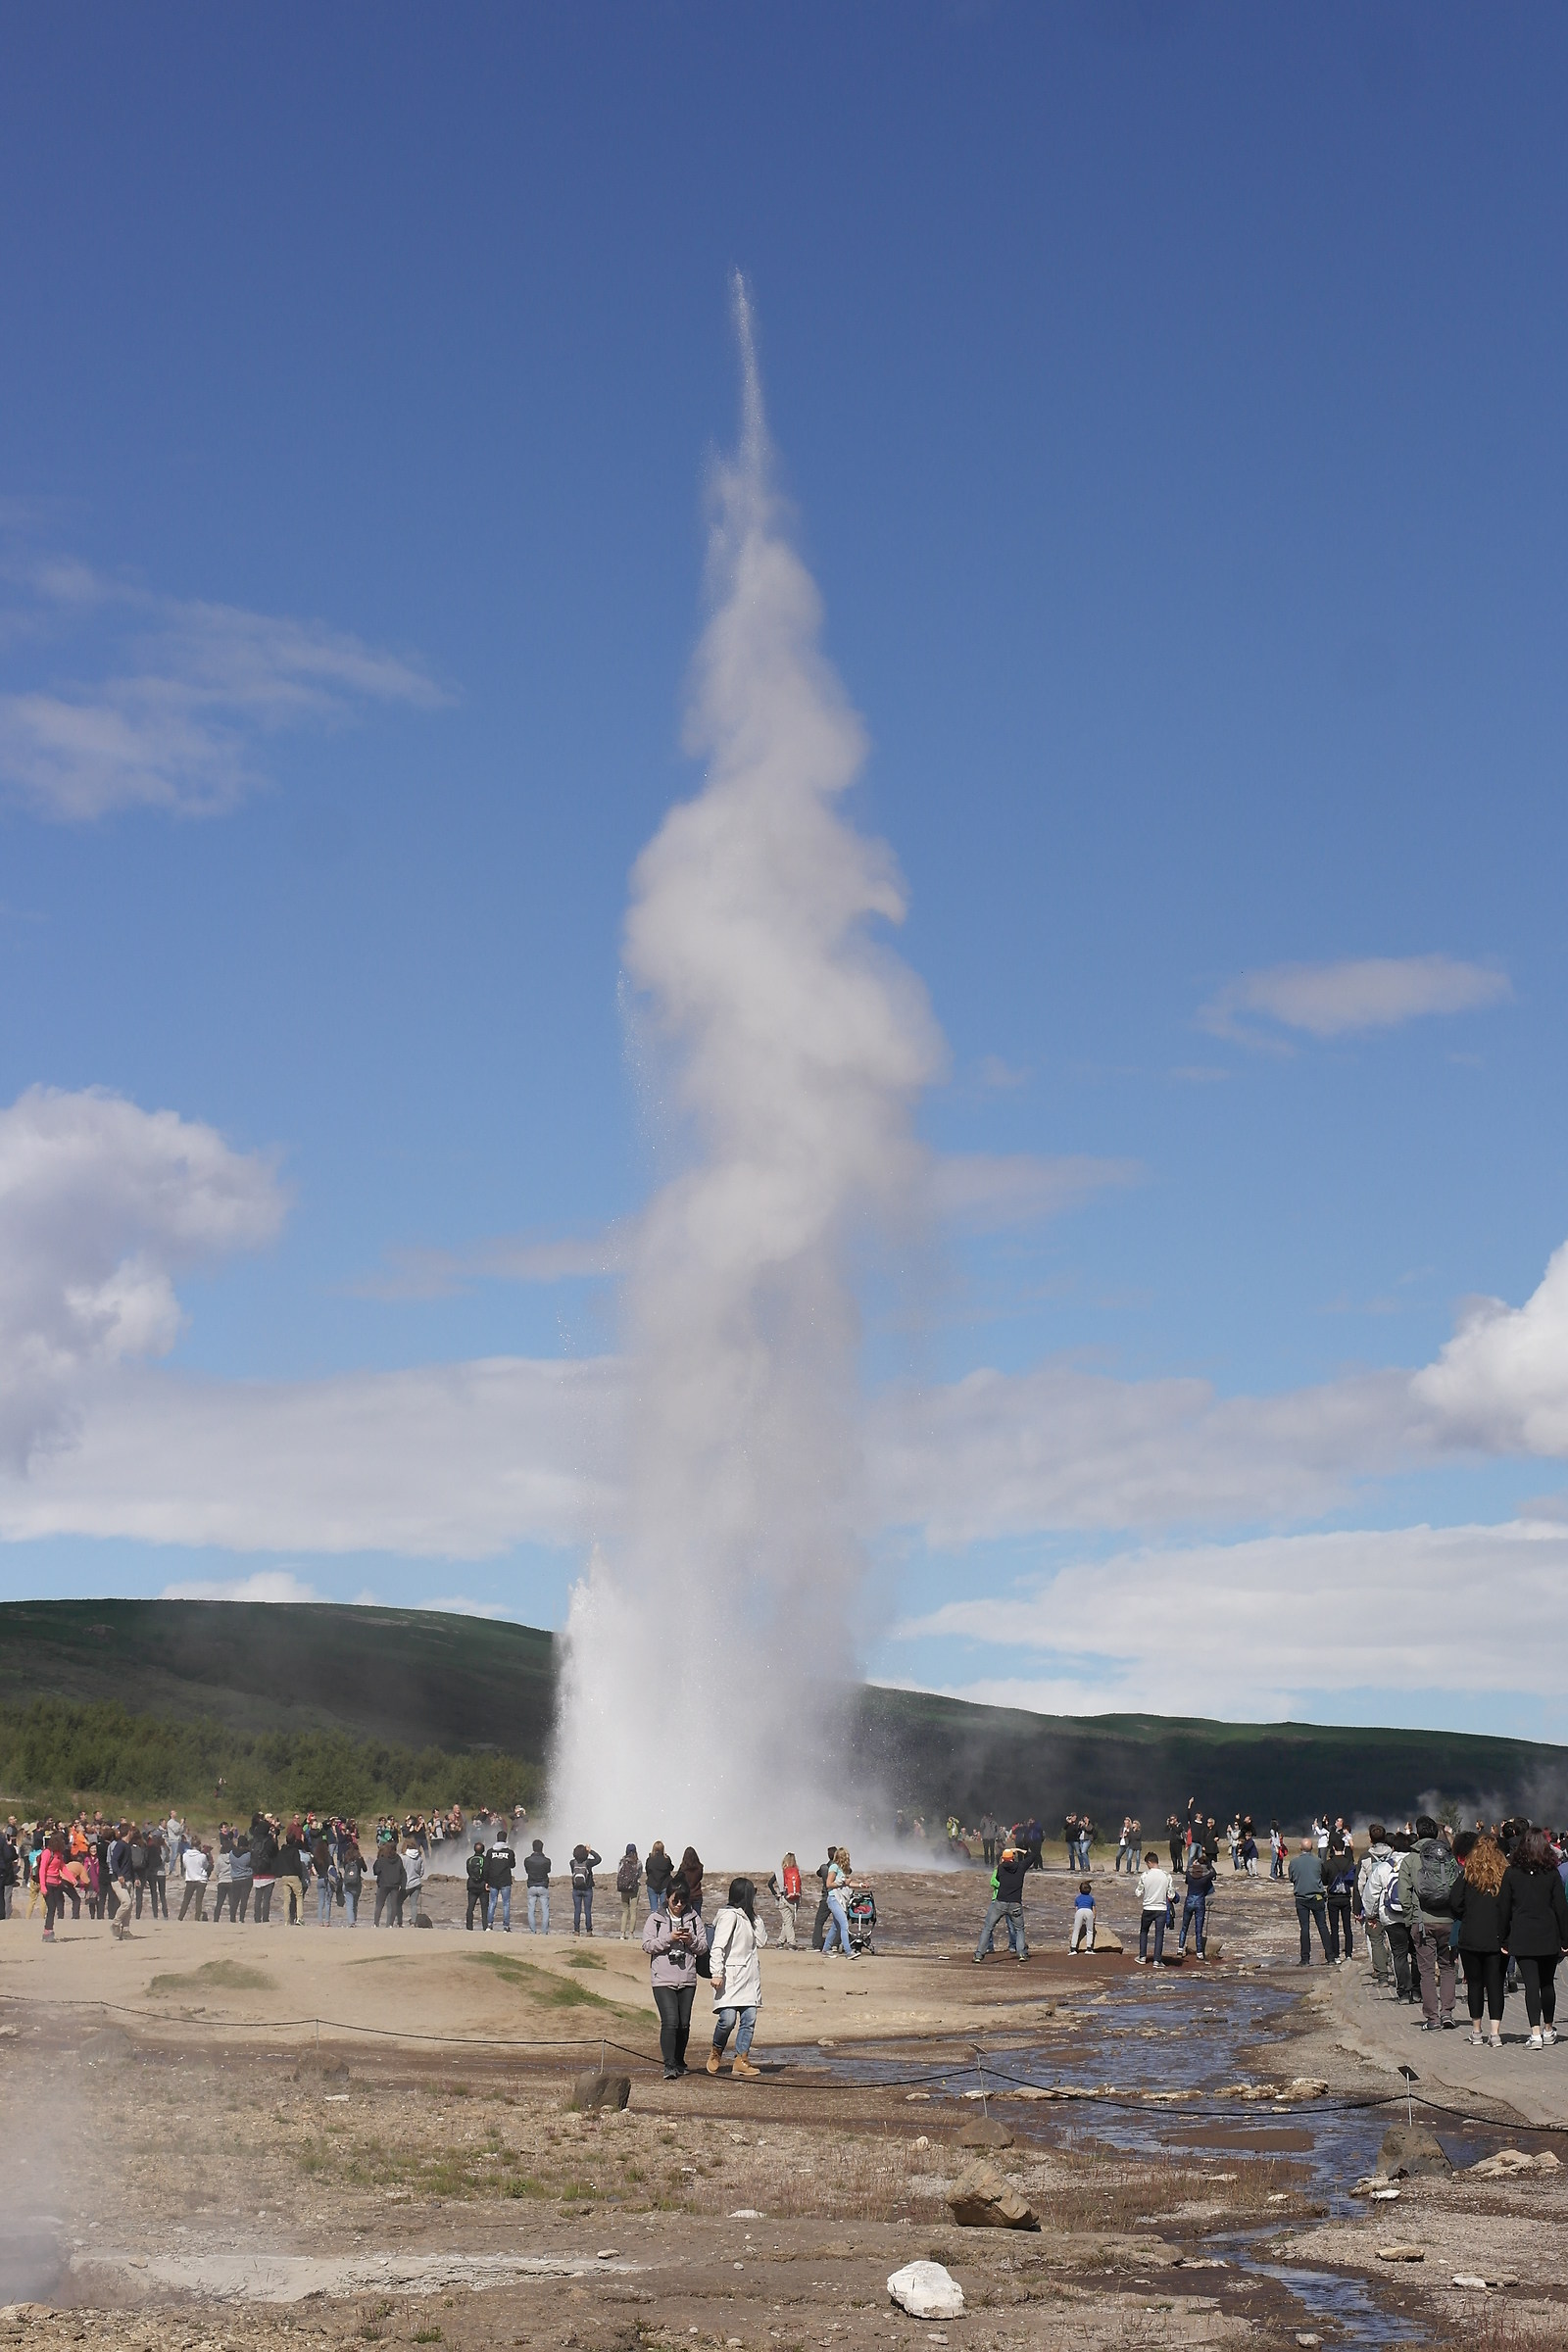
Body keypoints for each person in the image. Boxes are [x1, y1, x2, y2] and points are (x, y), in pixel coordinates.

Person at [1498, 1826, 1568, 2050]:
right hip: (1548, 1934)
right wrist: (1566, 1939)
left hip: (1523, 1934)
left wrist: (1503, 1939)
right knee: (1547, 1983)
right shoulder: (1552, 1873)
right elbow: (1561, 1907)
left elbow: (1504, 1908)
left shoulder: (1511, 1873)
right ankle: (1548, 2029)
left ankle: (1535, 2033)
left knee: (1531, 1984)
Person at [1396, 1815, 1460, 2029]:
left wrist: (1410, 1919)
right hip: (1449, 1922)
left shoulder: (1410, 1859)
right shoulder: (1448, 1857)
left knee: (1426, 1972)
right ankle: (1448, 2013)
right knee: (1449, 1967)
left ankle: (1432, 2019)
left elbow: (1404, 1893)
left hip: (1422, 1922)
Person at [643, 1877, 710, 2080]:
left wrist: (690, 1940)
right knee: (670, 2021)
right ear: (667, 1898)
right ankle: (669, 2064)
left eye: (683, 1901)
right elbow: (647, 1945)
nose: (679, 1905)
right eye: (675, 1900)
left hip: (687, 1978)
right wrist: (669, 1938)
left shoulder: (694, 1918)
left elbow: (703, 1947)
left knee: (684, 2023)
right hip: (662, 1979)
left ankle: (680, 2061)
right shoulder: (655, 1918)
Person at [1450, 1830, 1508, 2048]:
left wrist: (1466, 1915)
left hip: (1471, 1935)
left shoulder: (1467, 1875)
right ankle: (1495, 2034)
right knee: (1495, 1985)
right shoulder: (1506, 1875)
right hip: (1497, 1936)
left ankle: (1476, 2031)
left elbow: (1454, 1903)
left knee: (1474, 1984)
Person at [706, 1876, 767, 2079]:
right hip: (730, 1976)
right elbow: (717, 1947)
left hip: (749, 1977)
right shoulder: (729, 1916)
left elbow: (762, 1941)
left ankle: (742, 2059)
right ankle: (717, 2050)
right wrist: (716, 1973)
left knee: (749, 2018)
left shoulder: (749, 1918)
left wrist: (754, 1916)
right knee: (728, 2019)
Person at [974, 1840, 1029, 1963]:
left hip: (1000, 1902)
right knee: (1019, 1929)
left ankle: (979, 1955)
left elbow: (997, 1879)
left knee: (988, 1927)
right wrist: (1019, 1850)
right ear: (1013, 1858)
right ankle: (1021, 1954)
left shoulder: (1000, 1868)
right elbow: (1033, 1856)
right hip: (1015, 1903)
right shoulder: (1020, 1868)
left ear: (1003, 1859)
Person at [1357, 1825, 1396, 1987]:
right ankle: (1399, 1973)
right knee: (1396, 1941)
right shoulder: (1394, 1856)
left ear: (1371, 1839)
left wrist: (1364, 1906)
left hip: (1374, 1904)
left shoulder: (1365, 1857)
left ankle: (1382, 1976)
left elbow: (1360, 1884)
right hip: (1394, 1904)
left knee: (1376, 1940)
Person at [1288, 1838, 1331, 1966]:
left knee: (1304, 1928)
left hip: (1301, 1898)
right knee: (1322, 1926)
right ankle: (1331, 1957)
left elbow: (1291, 1878)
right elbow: (1323, 1878)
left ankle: (1305, 1959)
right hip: (1317, 1896)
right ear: (1312, 1848)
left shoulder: (1294, 1862)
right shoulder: (1319, 1861)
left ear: (1301, 1847)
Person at [1136, 1847, 1174, 1966]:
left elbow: (1138, 1892)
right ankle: (1157, 1960)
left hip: (1148, 1907)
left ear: (1149, 1862)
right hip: (1161, 1908)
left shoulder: (1145, 1875)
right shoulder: (1166, 1875)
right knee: (1159, 1934)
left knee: (1144, 1931)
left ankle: (1142, 1957)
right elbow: (1171, 1895)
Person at [1324, 1833, 1357, 1962]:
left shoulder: (1327, 1864)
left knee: (1334, 1927)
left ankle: (1336, 1955)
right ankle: (1348, 1954)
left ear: (1333, 1848)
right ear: (1344, 1848)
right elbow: (1352, 1881)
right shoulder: (1349, 1863)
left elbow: (1324, 1881)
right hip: (1346, 1898)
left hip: (1332, 1898)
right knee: (1347, 1927)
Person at [1179, 1841, 1214, 1959]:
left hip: (1189, 1900)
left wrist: (1194, 1864)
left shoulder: (1189, 1872)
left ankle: (1180, 1949)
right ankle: (1199, 1952)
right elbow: (1214, 1873)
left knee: (1184, 1926)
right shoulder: (1206, 1875)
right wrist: (1208, 1864)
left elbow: (1187, 1880)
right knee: (1198, 1928)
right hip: (1200, 1901)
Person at [822, 1847, 858, 1958]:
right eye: (847, 1857)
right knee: (844, 1924)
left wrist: (861, 1885)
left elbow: (847, 1883)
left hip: (840, 1899)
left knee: (836, 1926)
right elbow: (829, 1884)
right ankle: (848, 1951)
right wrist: (842, 1882)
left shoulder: (842, 1870)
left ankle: (826, 1949)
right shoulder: (833, 1867)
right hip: (833, 1899)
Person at [372, 1837, 406, 1929]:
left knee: (379, 1904)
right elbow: (402, 1872)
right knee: (393, 1905)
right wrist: (402, 1885)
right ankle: (390, 1924)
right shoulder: (398, 1858)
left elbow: (376, 1870)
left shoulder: (382, 1858)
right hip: (395, 1884)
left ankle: (376, 1923)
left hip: (383, 1884)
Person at [485, 1832, 514, 1932]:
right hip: (505, 1880)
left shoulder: (490, 1852)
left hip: (493, 1880)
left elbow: (487, 1867)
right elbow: (512, 1865)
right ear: (505, 1839)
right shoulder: (510, 1852)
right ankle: (506, 1926)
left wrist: (486, 1880)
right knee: (506, 1903)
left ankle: (489, 1924)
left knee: (492, 1902)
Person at [570, 1843, 602, 1936]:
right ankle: (589, 1931)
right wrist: (590, 1850)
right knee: (587, 1910)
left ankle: (576, 1930)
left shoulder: (572, 1862)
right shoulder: (588, 1863)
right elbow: (598, 1859)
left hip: (576, 1889)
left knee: (577, 1910)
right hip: (587, 1889)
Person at [771, 1852, 801, 1948]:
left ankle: (780, 1942)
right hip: (794, 1899)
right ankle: (791, 1943)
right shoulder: (796, 1871)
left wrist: (776, 1894)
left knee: (787, 1921)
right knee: (789, 1921)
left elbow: (769, 1884)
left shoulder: (779, 1872)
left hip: (783, 1899)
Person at [177, 1838, 210, 1922]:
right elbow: (206, 1866)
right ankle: (197, 1918)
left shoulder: (185, 1855)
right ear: (199, 1846)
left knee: (186, 1900)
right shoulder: (202, 1856)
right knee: (198, 1901)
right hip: (201, 1880)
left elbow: (185, 1866)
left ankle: (180, 1917)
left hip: (190, 1879)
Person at [523, 1838, 551, 1934]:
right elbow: (548, 1871)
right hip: (543, 1885)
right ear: (542, 1848)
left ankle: (532, 1930)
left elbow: (527, 1871)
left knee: (531, 1910)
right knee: (545, 1910)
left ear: (533, 1848)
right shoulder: (547, 1861)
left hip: (531, 1886)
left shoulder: (527, 1860)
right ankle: (544, 1931)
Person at [615, 1843, 642, 1939]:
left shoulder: (622, 1861)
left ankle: (622, 1933)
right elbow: (639, 1875)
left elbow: (619, 1873)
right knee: (633, 1911)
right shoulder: (638, 1862)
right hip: (634, 1888)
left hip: (624, 1888)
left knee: (625, 1911)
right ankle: (631, 1933)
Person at [465, 1838, 490, 1931]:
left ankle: (469, 1926)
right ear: (483, 1850)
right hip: (482, 1886)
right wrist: (487, 1882)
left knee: (470, 1907)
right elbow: (487, 1872)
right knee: (484, 1908)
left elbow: (468, 1872)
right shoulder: (486, 1860)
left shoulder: (469, 1860)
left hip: (471, 1885)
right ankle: (485, 1926)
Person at [402, 1836, 426, 1926]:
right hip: (416, 1883)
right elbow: (422, 1872)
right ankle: (414, 1922)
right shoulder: (419, 1858)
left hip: (406, 1884)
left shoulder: (403, 1857)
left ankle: (398, 1921)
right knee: (414, 1904)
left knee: (398, 1903)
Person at [644, 1840, 672, 1917]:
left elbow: (647, 1870)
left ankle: (654, 1925)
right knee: (663, 1909)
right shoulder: (666, 1859)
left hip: (652, 1884)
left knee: (654, 1910)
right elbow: (671, 1868)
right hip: (664, 1884)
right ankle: (663, 1926)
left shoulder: (650, 1859)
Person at [1069, 1879, 1096, 1952]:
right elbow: (1093, 1908)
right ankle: (1089, 1948)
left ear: (1080, 1890)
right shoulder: (1091, 1898)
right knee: (1090, 1930)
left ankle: (1073, 1948)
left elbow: (1076, 1908)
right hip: (1089, 1911)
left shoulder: (1077, 1898)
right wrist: (1094, 1917)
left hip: (1080, 1911)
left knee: (1076, 1930)